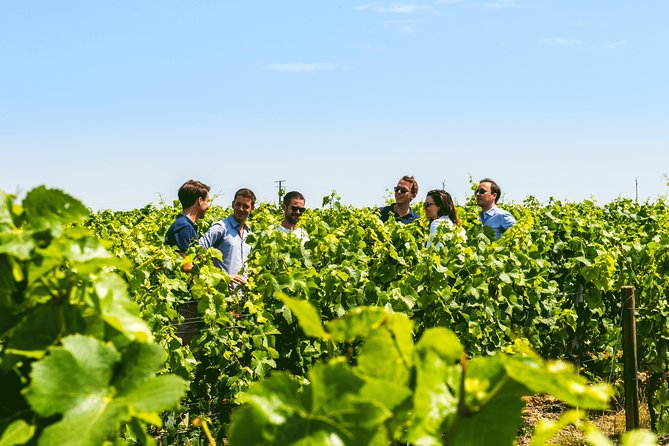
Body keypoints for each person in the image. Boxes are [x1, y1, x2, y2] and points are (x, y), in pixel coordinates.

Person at [199, 188, 255, 286]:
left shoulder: (250, 234)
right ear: (233, 204)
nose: (241, 209)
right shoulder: (220, 228)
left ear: (252, 209)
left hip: (243, 296)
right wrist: (223, 277)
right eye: (238, 204)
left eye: (245, 206)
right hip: (222, 294)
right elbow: (199, 251)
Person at [164, 180, 211, 253]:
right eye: (207, 201)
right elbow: (185, 262)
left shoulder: (184, 225)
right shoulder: (184, 227)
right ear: (200, 201)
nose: (208, 206)